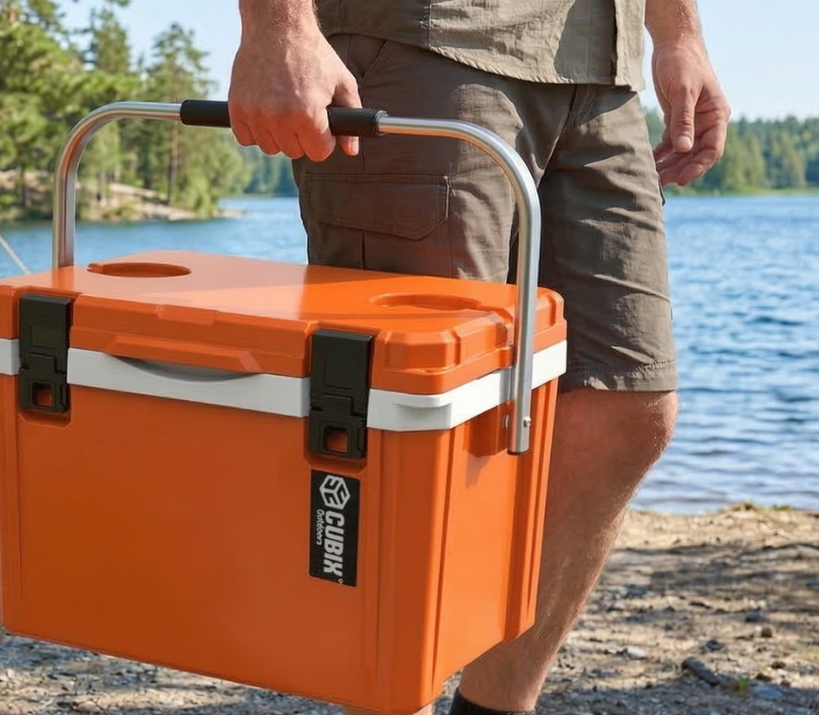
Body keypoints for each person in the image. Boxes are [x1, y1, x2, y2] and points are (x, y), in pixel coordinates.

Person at [227, 1, 725, 715]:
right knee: (413, 437)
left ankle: (493, 707)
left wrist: (679, 35)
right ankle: (388, 701)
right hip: (429, 39)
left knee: (625, 404)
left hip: (601, 64)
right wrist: (277, 27)